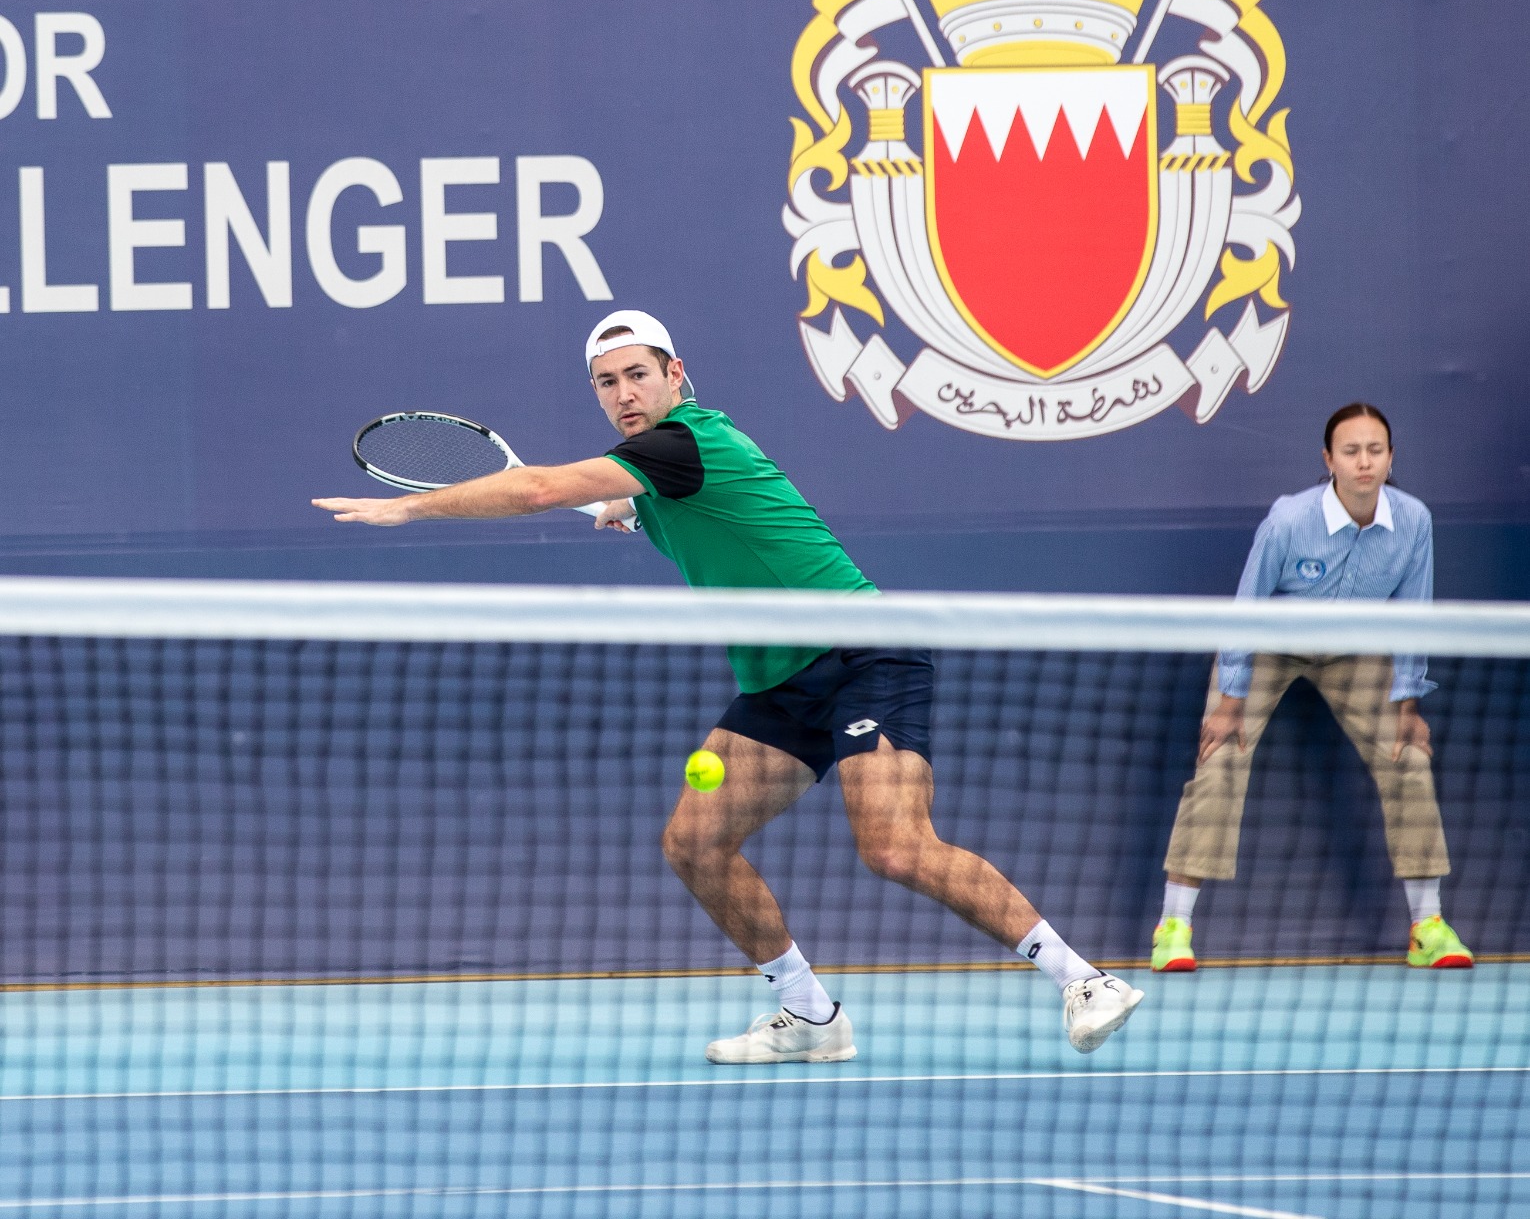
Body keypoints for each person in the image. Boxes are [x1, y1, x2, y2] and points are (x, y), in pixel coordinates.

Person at [314, 309, 1144, 1060]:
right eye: (606, 381)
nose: (624, 393)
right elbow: (659, 504)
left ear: (676, 374)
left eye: (638, 374)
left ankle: (1084, 980)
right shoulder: (654, 473)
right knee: (695, 842)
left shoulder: (683, 443)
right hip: (780, 684)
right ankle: (810, 1016)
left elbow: (535, 487)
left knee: (895, 845)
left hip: (862, 655)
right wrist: (627, 507)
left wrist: (410, 510)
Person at [1152, 403, 1472, 974]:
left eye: (1375, 450)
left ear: (1390, 458)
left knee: (1409, 759)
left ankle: (1427, 927)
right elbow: (1247, 607)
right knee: (1220, 758)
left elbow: (1414, 613)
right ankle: (1173, 927)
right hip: (1271, 642)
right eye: (1351, 451)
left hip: (1355, 648)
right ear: (1329, 460)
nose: (1364, 462)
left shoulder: (1414, 521)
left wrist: (1407, 701)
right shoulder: (1289, 521)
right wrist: (1230, 702)